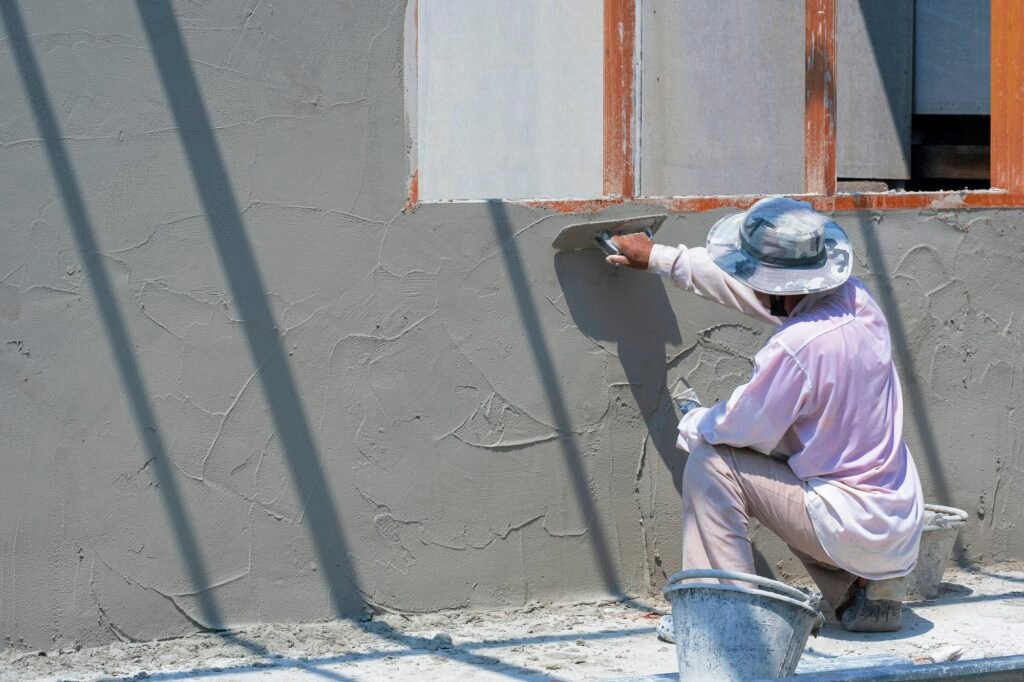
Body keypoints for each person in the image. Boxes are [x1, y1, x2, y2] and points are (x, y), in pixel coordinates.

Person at [609, 196, 924, 635]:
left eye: (750, 271)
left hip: (851, 523)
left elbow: (741, 428)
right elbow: (760, 295)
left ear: (777, 286)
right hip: (896, 524)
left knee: (713, 462)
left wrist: (694, 421)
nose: (744, 280)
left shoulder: (796, 347)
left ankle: (721, 616)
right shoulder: (858, 302)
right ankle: (860, 587)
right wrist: (662, 259)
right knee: (800, 462)